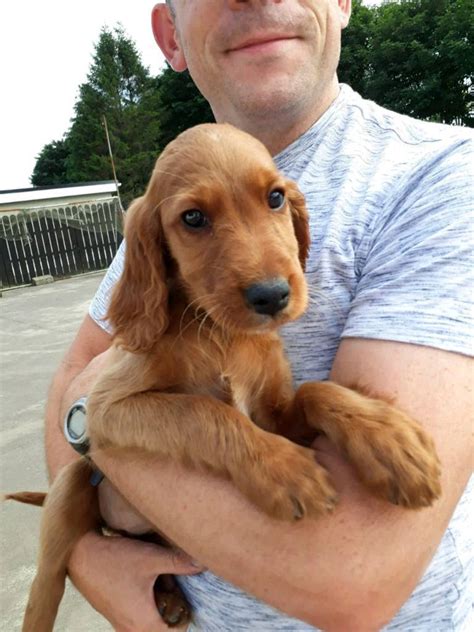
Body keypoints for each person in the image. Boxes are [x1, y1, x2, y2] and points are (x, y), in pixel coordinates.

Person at [46, 1, 473, 631]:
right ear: (171, 35)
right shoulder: (156, 216)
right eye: (195, 220)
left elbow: (352, 583)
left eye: (272, 200)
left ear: (342, 4)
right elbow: (77, 390)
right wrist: (87, 554)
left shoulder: (443, 176)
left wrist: (333, 407)